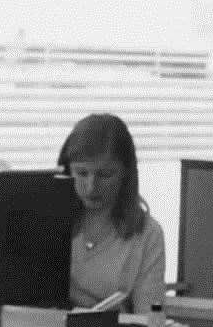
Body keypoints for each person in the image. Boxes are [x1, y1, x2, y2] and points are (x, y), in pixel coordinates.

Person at [59, 112, 165, 314]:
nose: (91, 187)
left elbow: (149, 321)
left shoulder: (147, 234)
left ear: (125, 173)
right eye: (82, 173)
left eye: (105, 175)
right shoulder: (46, 220)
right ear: (67, 170)